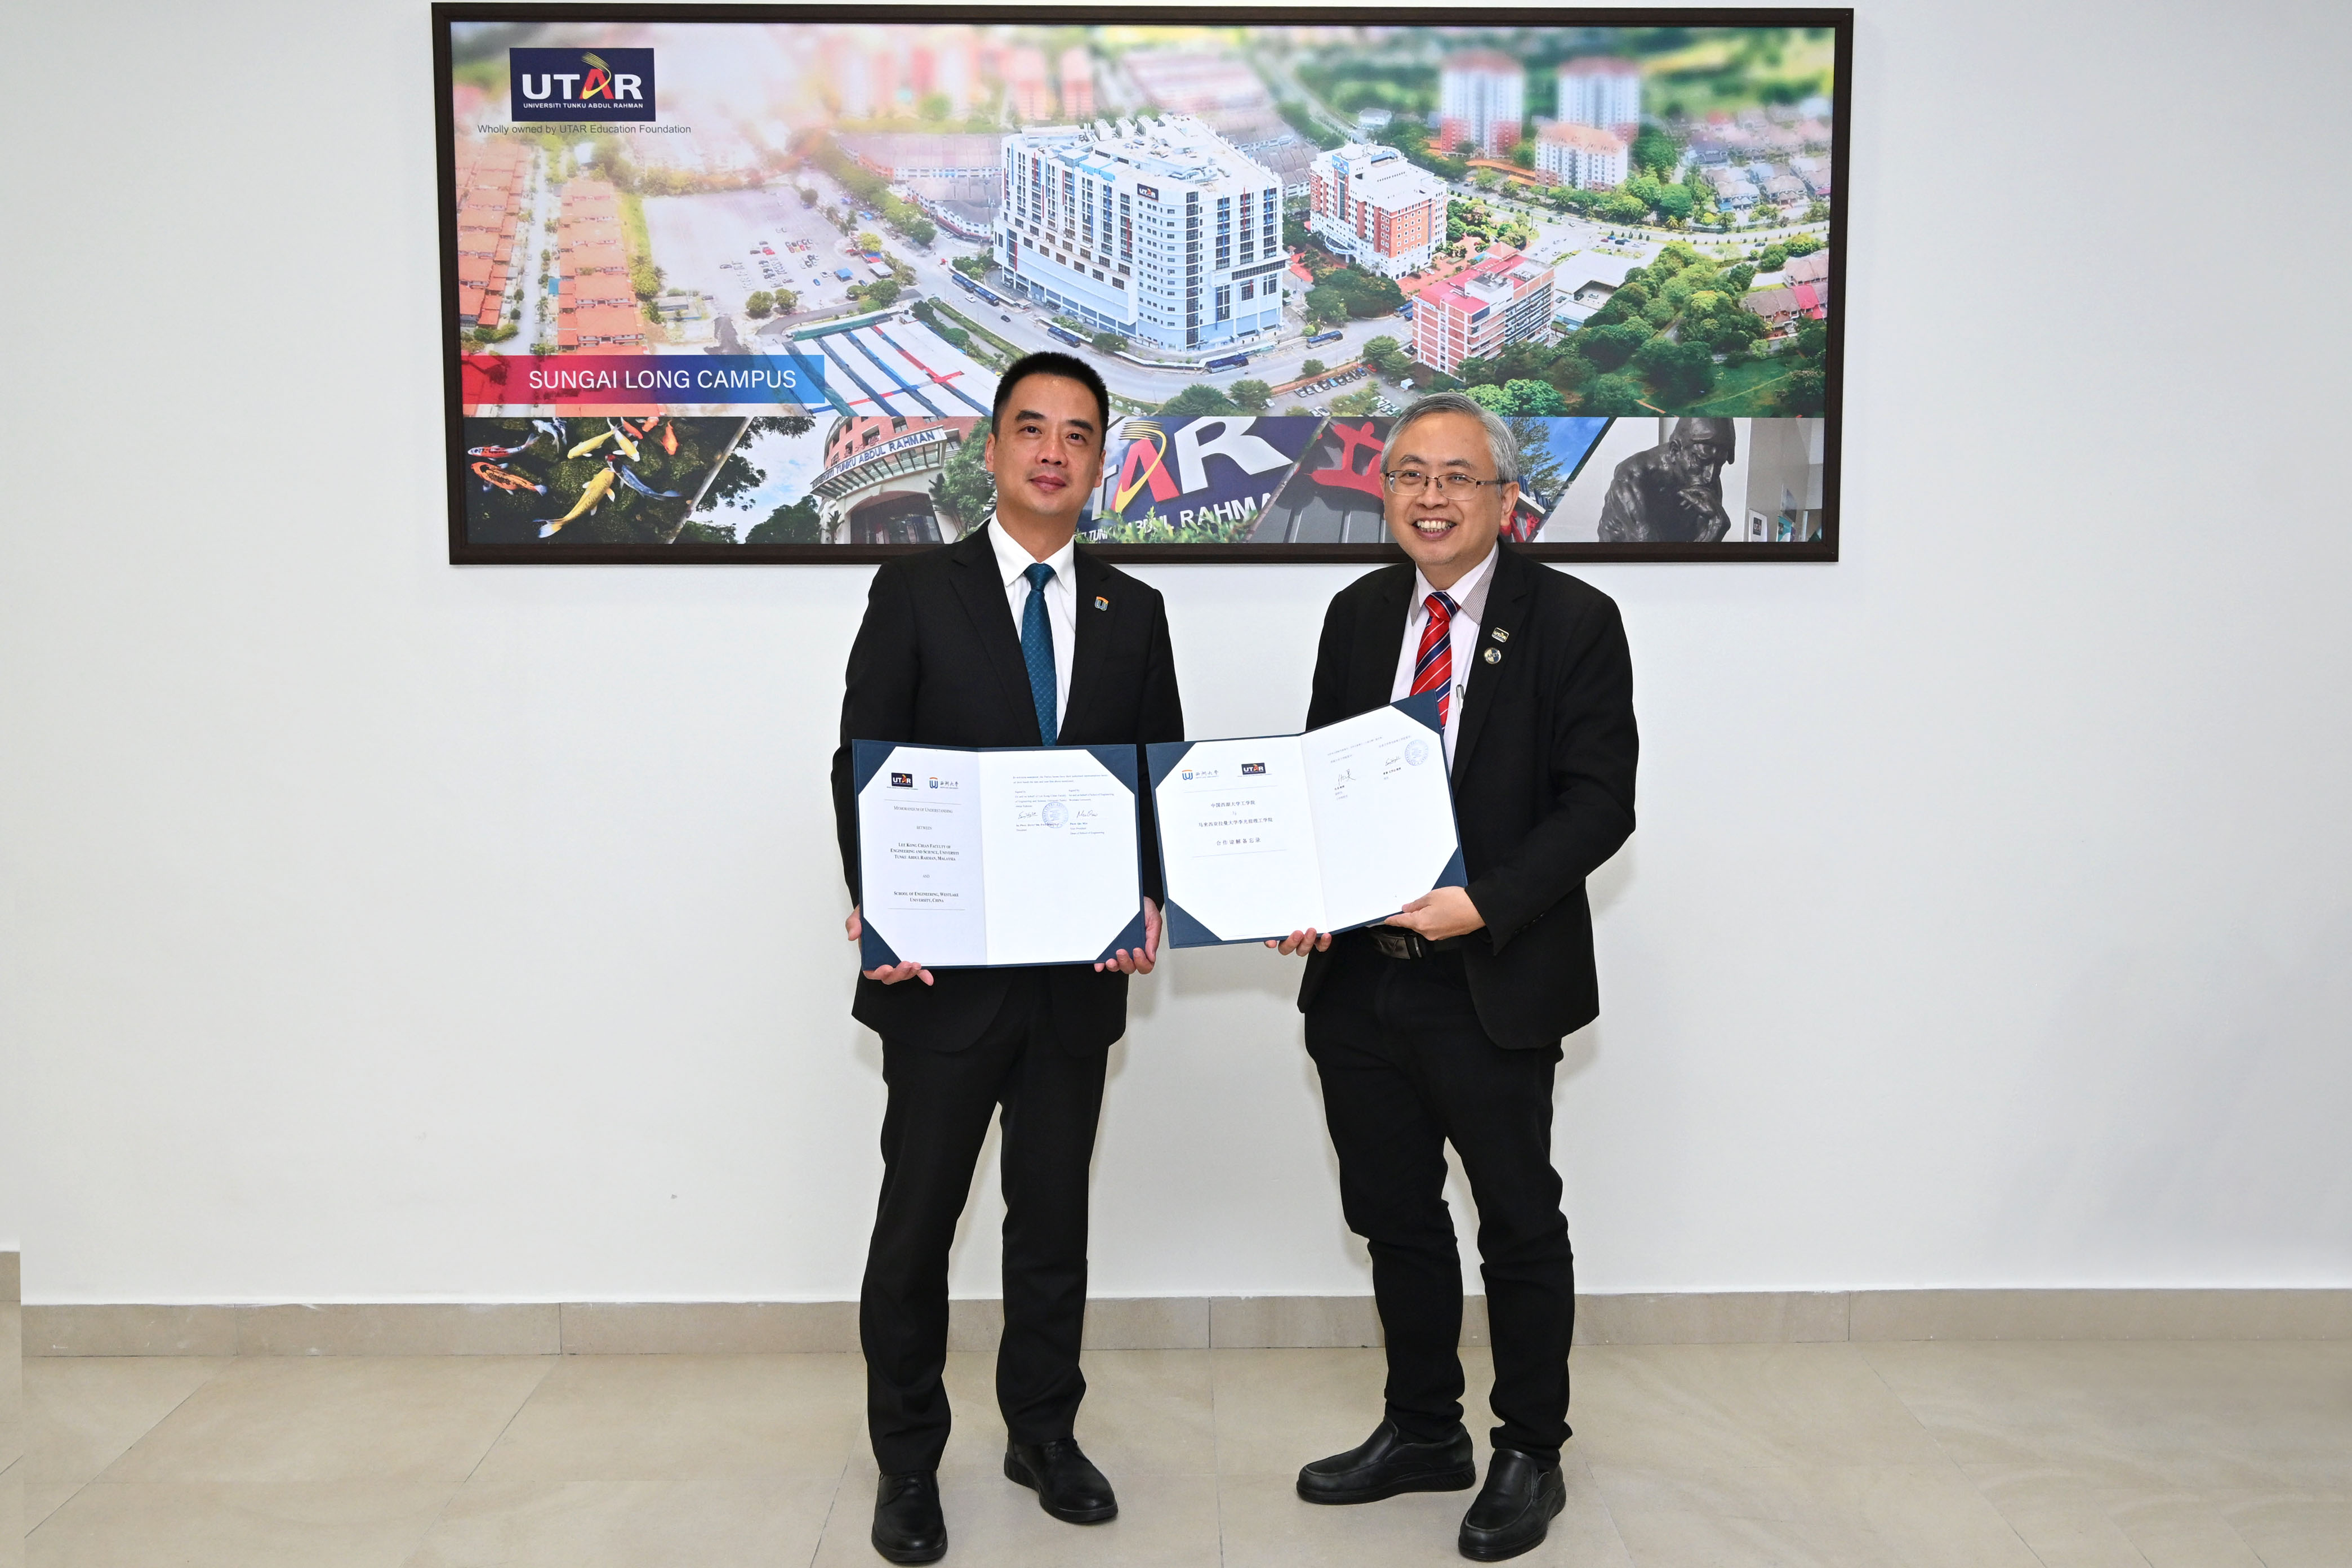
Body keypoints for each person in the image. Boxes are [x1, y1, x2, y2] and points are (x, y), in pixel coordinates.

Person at [1269, 391, 1637, 1562]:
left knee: (1517, 1219)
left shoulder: (1574, 619)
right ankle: (1424, 1429)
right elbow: (1323, 782)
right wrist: (1299, 888)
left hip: (1492, 974)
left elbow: (1599, 804)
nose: (1431, 497)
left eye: (1457, 478)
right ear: (1384, 494)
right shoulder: (1357, 611)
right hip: (1363, 983)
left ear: (1504, 498)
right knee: (1393, 1218)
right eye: (1409, 476)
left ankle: (1532, 1446)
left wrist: (1482, 903)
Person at [830, 353, 1183, 1565]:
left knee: (1051, 1222)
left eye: (1077, 435)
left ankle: (1043, 1432)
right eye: (1030, 429)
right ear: (991, 450)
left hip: (1075, 983)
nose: (1052, 452)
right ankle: (907, 1465)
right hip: (943, 983)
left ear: (1100, 463)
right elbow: (864, 761)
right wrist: (884, 907)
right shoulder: (917, 590)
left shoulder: (1132, 611)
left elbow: (1158, 780)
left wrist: (1152, 894)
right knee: (918, 1224)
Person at [1596, 416, 1737, 543]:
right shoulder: (1632, 477)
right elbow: (1652, 559)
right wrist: (1715, 530)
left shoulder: (1709, 484)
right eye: (1700, 461)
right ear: (1675, 450)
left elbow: (1696, 563)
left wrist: (1718, 525)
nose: (1709, 477)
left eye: (1719, 464)